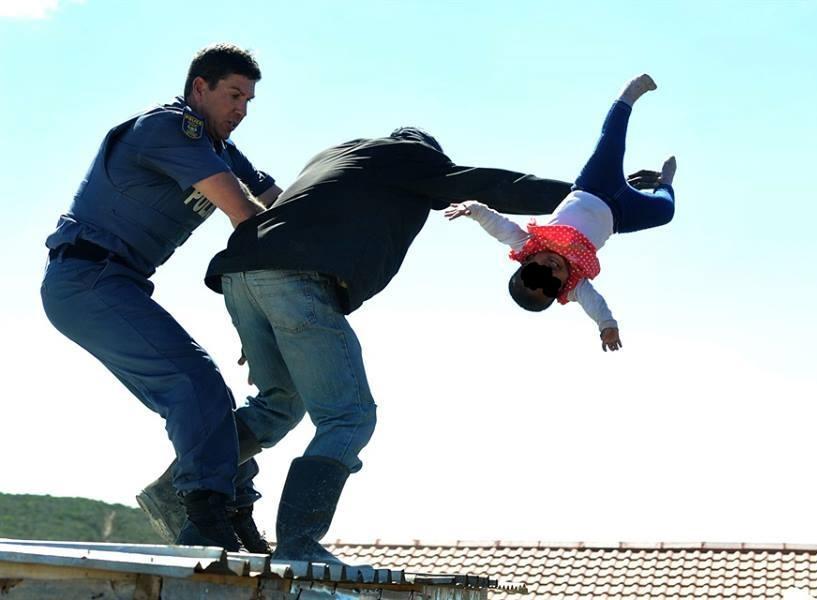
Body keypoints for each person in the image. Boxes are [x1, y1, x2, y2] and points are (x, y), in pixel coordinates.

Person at [137, 125, 662, 562]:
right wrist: (595, 201)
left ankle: (175, 490)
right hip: (297, 281)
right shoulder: (411, 160)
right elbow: (497, 185)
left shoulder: (336, 156)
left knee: (279, 405)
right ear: (430, 157)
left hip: (243, 278)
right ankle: (298, 544)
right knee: (349, 417)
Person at [40, 43, 282, 552]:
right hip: (86, 277)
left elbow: (277, 203)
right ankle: (202, 515)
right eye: (234, 94)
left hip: (116, 281)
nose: (242, 109)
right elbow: (245, 213)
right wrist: (266, 313)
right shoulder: (168, 129)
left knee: (205, 391)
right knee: (193, 383)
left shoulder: (219, 149)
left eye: (250, 100)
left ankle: (232, 510)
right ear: (201, 88)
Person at [444, 74, 676, 352]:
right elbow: (595, 304)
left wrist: (473, 209)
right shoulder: (576, 283)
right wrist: (607, 325)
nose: (549, 271)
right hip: (622, 215)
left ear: (525, 263)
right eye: (551, 285)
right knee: (665, 212)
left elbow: (497, 225)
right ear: (561, 291)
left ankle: (629, 94)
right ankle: (665, 183)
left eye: (535, 274)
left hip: (594, 184)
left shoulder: (527, 244)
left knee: (612, 142)